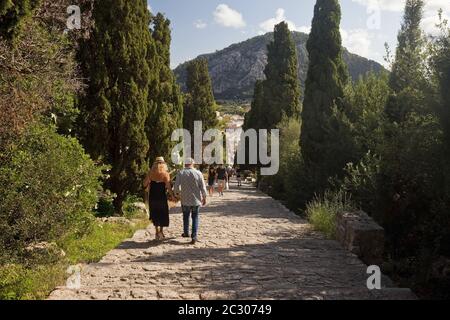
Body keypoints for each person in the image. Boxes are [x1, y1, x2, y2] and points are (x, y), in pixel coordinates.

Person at [174, 158, 207, 244]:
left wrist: (177, 195)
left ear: (185, 164)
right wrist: (204, 197)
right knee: (195, 217)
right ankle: (194, 236)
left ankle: (186, 233)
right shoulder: (198, 173)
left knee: (185, 216)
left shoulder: (181, 173)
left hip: (185, 199)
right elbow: (203, 187)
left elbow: (176, 187)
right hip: (196, 200)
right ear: (193, 164)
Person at [143, 157, 172, 241]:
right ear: (164, 164)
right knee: (162, 213)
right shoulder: (165, 174)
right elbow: (168, 187)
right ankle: (161, 232)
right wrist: (172, 196)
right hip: (161, 197)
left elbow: (144, 184)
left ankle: (156, 232)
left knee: (155, 213)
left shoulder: (150, 173)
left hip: (153, 197)